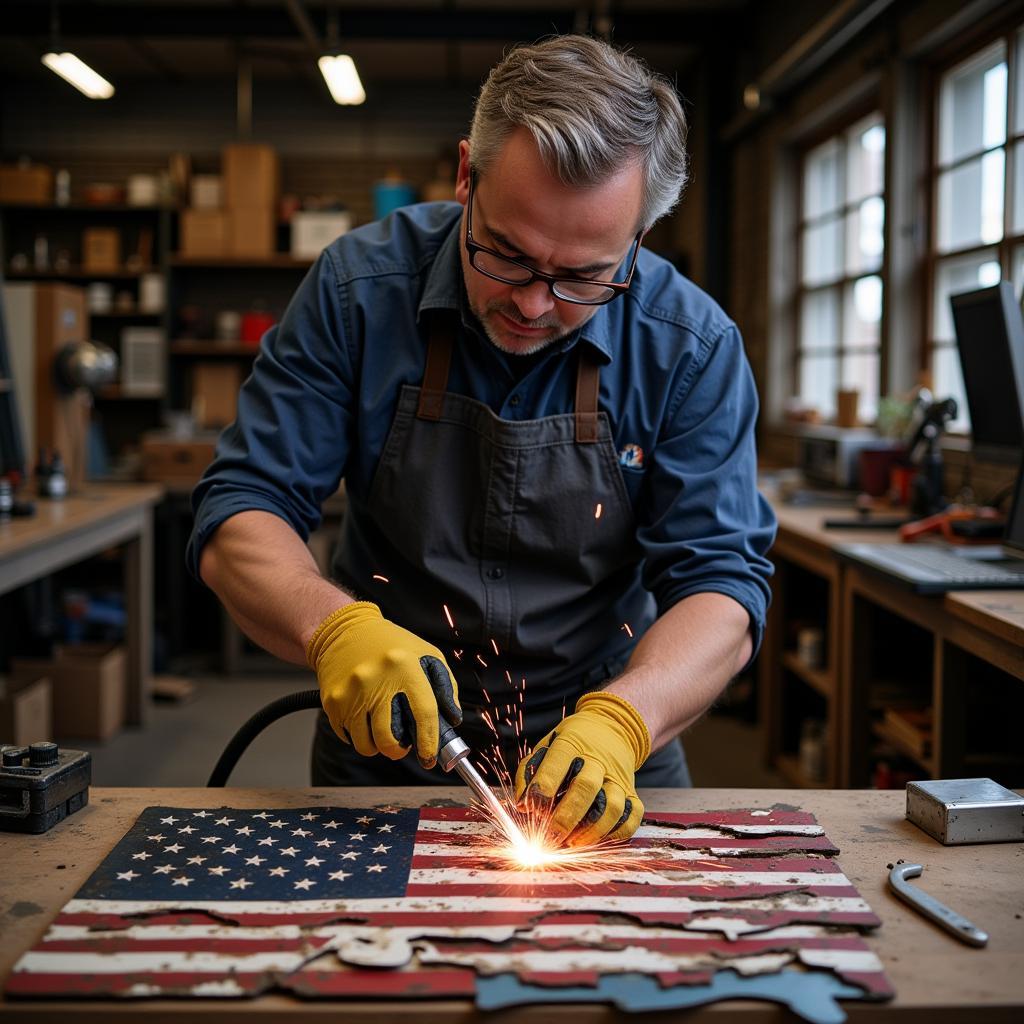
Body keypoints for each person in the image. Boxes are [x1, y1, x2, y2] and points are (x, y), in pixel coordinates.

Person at [188, 34, 776, 847]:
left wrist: (624, 722)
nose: (536, 305)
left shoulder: (690, 346)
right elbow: (239, 509)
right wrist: (334, 629)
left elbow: (720, 582)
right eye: (507, 254)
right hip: (385, 748)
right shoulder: (359, 293)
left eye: (582, 277)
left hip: (603, 758)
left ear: (641, 234)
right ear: (466, 175)